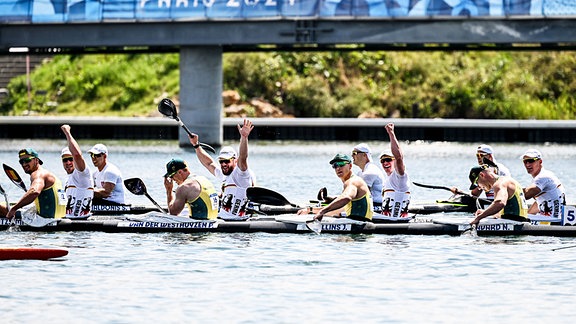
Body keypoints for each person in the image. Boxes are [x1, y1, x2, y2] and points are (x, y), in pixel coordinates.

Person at [191, 119, 256, 220]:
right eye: (221, 161)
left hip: (236, 222)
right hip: (222, 219)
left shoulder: (241, 174)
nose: (223, 164)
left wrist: (244, 137)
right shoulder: (224, 174)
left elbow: (243, 157)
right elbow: (209, 163)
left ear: (235, 160)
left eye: (227, 161)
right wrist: (196, 145)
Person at [298, 154, 373, 222]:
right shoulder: (352, 182)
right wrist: (310, 210)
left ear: (350, 166)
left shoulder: (352, 181)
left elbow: (346, 197)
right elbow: (338, 210)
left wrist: (322, 212)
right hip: (359, 222)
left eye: (341, 164)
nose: (338, 168)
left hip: (358, 226)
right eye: (335, 166)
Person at [0, 148, 66, 220]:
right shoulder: (49, 174)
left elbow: (34, 192)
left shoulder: (38, 174)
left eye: (27, 160)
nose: (24, 164)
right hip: (60, 218)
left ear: (36, 160)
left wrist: (14, 209)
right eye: (21, 162)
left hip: (45, 220)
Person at [521, 149, 566, 219]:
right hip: (554, 219)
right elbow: (539, 202)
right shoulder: (545, 175)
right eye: (525, 161)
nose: (527, 164)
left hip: (553, 223)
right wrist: (526, 216)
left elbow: (525, 195)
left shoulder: (543, 177)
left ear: (540, 161)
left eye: (531, 161)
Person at [61, 124, 94, 219]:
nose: (68, 162)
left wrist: (67, 133)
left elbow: (77, 155)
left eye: (70, 159)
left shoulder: (83, 174)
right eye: (65, 160)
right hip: (69, 221)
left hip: (81, 223)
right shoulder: (68, 178)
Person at [379, 123, 410, 218]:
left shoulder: (399, 177)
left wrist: (391, 134)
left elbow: (399, 157)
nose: (385, 163)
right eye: (382, 161)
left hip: (397, 222)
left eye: (388, 160)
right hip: (387, 220)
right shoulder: (387, 179)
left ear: (394, 161)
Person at [352, 143, 384, 212]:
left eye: (354, 153)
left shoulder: (370, 172)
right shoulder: (360, 173)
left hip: (377, 207)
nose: (352, 155)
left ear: (364, 155)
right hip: (370, 205)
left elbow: (359, 196)